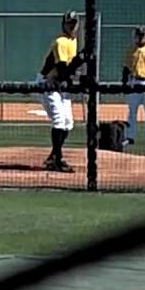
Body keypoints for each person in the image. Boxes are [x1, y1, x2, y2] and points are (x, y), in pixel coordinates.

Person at [36, 10, 85, 172]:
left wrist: (76, 69)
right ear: (63, 25)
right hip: (48, 83)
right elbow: (63, 70)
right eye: (69, 23)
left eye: (74, 24)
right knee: (58, 120)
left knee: (68, 123)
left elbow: (67, 73)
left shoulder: (73, 40)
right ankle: (57, 159)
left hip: (60, 84)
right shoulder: (61, 42)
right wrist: (79, 61)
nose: (72, 27)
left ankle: (53, 156)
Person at [121, 26, 145, 145]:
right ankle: (130, 137)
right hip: (135, 81)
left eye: (143, 35)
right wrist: (124, 83)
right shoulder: (131, 49)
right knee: (132, 112)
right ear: (135, 36)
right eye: (139, 35)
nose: (141, 37)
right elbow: (126, 68)